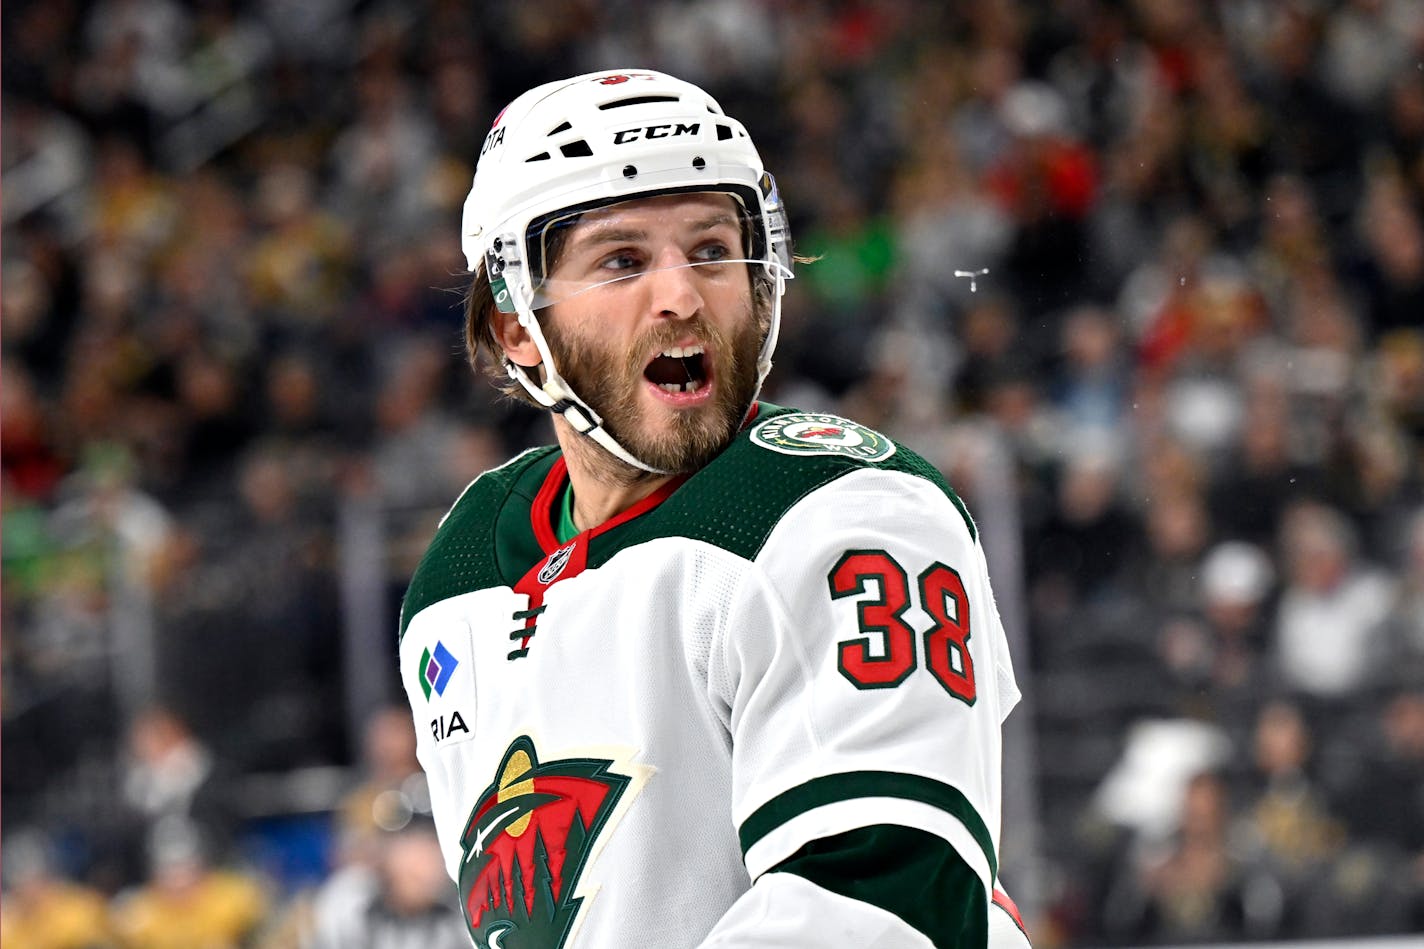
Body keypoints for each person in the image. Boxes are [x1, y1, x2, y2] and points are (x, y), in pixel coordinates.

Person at [399, 68, 1029, 949]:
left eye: (710, 249)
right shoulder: (460, 570)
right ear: (515, 327)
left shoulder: (846, 513)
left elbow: (880, 913)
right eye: (622, 260)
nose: (682, 295)